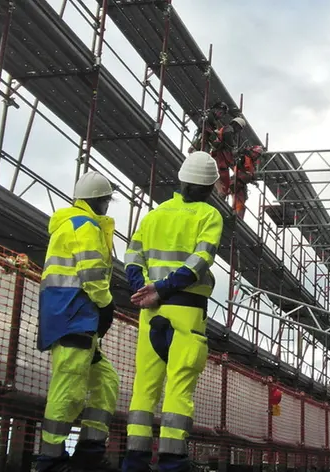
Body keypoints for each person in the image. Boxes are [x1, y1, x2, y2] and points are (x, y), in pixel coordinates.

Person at [121, 151, 224, 472]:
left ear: (181, 181)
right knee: (179, 386)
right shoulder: (209, 217)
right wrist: (163, 288)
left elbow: (132, 258)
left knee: (144, 387)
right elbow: (198, 263)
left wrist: (144, 290)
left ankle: (134, 461)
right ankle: (171, 462)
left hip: (150, 312)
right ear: (209, 189)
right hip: (187, 311)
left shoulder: (154, 216)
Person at [36, 171, 120, 472]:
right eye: (106, 201)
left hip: (73, 315)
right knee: (68, 388)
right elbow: (93, 273)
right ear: (99, 201)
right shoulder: (84, 225)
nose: (107, 207)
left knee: (106, 381)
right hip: (73, 315)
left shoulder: (73, 223)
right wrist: (106, 303)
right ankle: (50, 459)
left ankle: (89, 452)